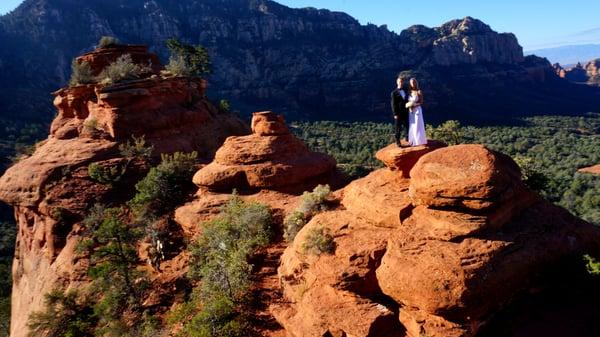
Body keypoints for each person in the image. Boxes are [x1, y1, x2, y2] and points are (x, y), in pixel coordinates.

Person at [405, 78, 427, 146]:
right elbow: (407, 101)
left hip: (417, 110)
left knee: (418, 124)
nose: (412, 83)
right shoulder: (409, 92)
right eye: (411, 82)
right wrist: (409, 106)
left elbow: (421, 102)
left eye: (414, 82)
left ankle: (419, 141)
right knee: (412, 125)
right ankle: (413, 141)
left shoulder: (419, 91)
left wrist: (414, 105)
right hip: (411, 111)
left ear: (416, 83)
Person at [390, 75, 409, 146]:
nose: (401, 83)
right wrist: (395, 114)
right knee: (398, 128)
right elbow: (393, 104)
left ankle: (407, 138)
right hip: (398, 113)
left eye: (402, 81)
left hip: (406, 112)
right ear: (397, 82)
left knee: (407, 126)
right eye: (399, 81)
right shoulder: (394, 93)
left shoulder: (406, 90)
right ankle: (398, 141)